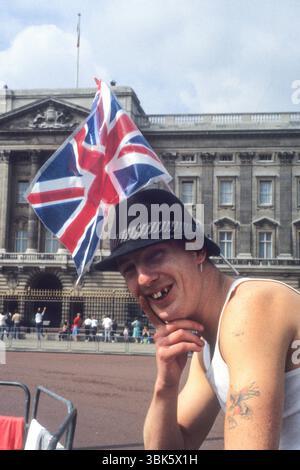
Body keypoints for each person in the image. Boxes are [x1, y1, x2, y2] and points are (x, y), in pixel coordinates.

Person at [95, 188, 300, 450]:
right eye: (129, 269)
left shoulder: (249, 307)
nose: (143, 278)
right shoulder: (208, 344)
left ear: (198, 252)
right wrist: (166, 384)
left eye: (156, 255)